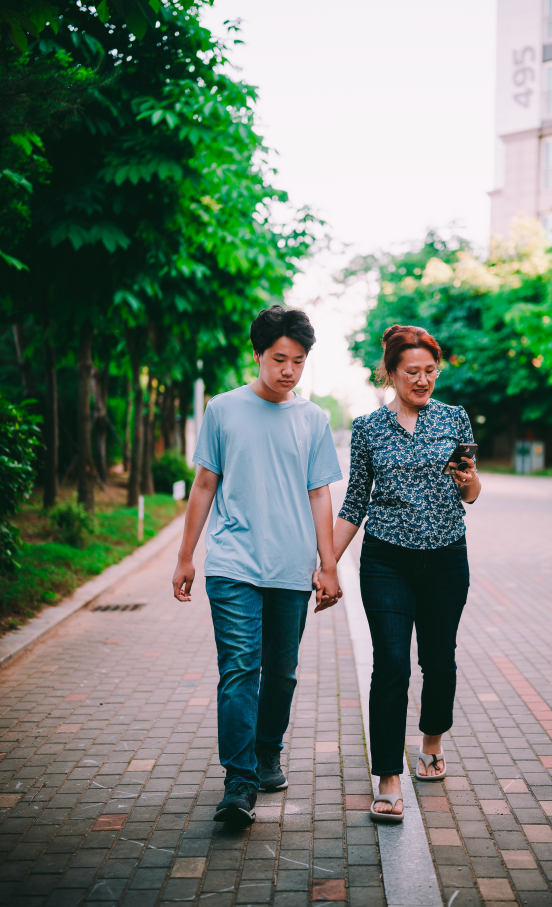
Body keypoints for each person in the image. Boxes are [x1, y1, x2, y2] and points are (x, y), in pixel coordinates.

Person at [172, 306, 342, 828]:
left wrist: (328, 564)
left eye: (298, 360)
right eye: (279, 359)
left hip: (290, 567)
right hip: (232, 564)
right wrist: (185, 556)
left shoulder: (313, 419)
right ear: (257, 355)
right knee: (240, 669)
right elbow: (205, 484)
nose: (289, 370)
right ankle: (239, 782)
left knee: (282, 673)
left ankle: (268, 751)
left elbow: (319, 494)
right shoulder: (223, 409)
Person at [333, 324, 480, 821]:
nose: (422, 380)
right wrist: (326, 563)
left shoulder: (455, 419)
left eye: (430, 371)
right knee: (391, 664)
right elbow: (354, 503)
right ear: (391, 374)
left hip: (445, 558)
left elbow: (470, 494)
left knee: (439, 661)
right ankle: (388, 777)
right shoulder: (368, 428)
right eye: (412, 371)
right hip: (386, 561)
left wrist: (469, 480)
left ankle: (432, 742)